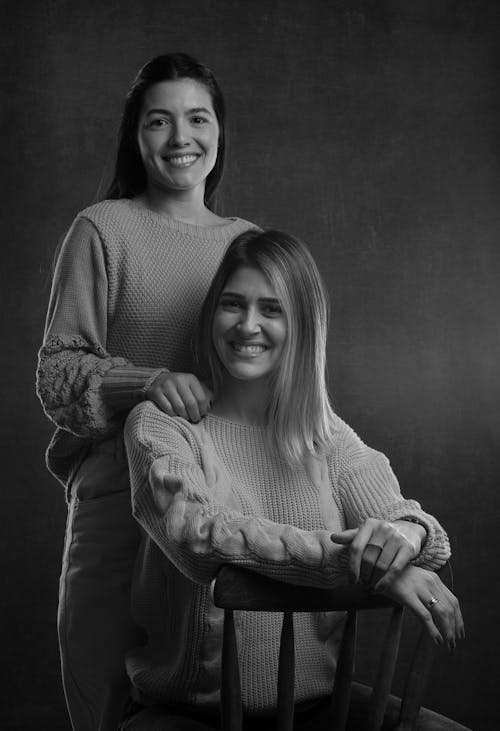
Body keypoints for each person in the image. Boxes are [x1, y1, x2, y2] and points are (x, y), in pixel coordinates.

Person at [122, 229, 464, 730]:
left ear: (303, 324)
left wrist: (405, 536)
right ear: (211, 315)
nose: (248, 325)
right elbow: (199, 537)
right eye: (232, 305)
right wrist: (359, 561)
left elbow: (413, 527)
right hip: (191, 713)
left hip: (319, 709)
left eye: (272, 309)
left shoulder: (326, 437)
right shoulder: (160, 426)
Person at [36, 53, 258, 731]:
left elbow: (277, 372)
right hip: (114, 494)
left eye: (197, 118)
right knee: (103, 686)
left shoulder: (249, 244)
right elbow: (56, 372)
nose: (180, 137)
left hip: (218, 493)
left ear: (219, 132)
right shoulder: (101, 229)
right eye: (159, 121)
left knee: (212, 690)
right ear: (136, 135)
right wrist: (148, 382)